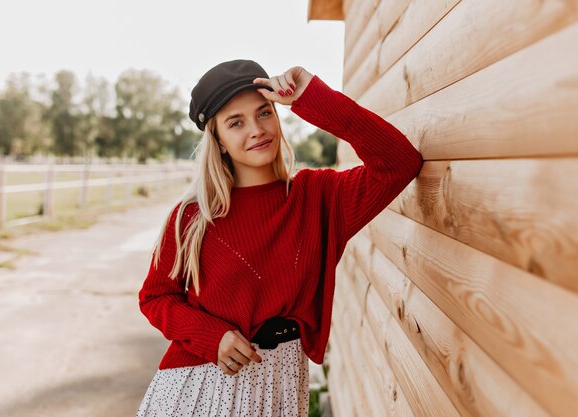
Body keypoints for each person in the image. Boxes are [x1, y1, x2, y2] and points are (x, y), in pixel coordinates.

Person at [135, 59, 423, 417]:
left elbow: (399, 162)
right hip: (201, 387)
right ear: (219, 140)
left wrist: (313, 96)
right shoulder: (192, 218)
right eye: (236, 122)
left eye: (264, 113)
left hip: (282, 385)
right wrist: (213, 336)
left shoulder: (319, 198)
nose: (256, 129)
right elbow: (156, 297)